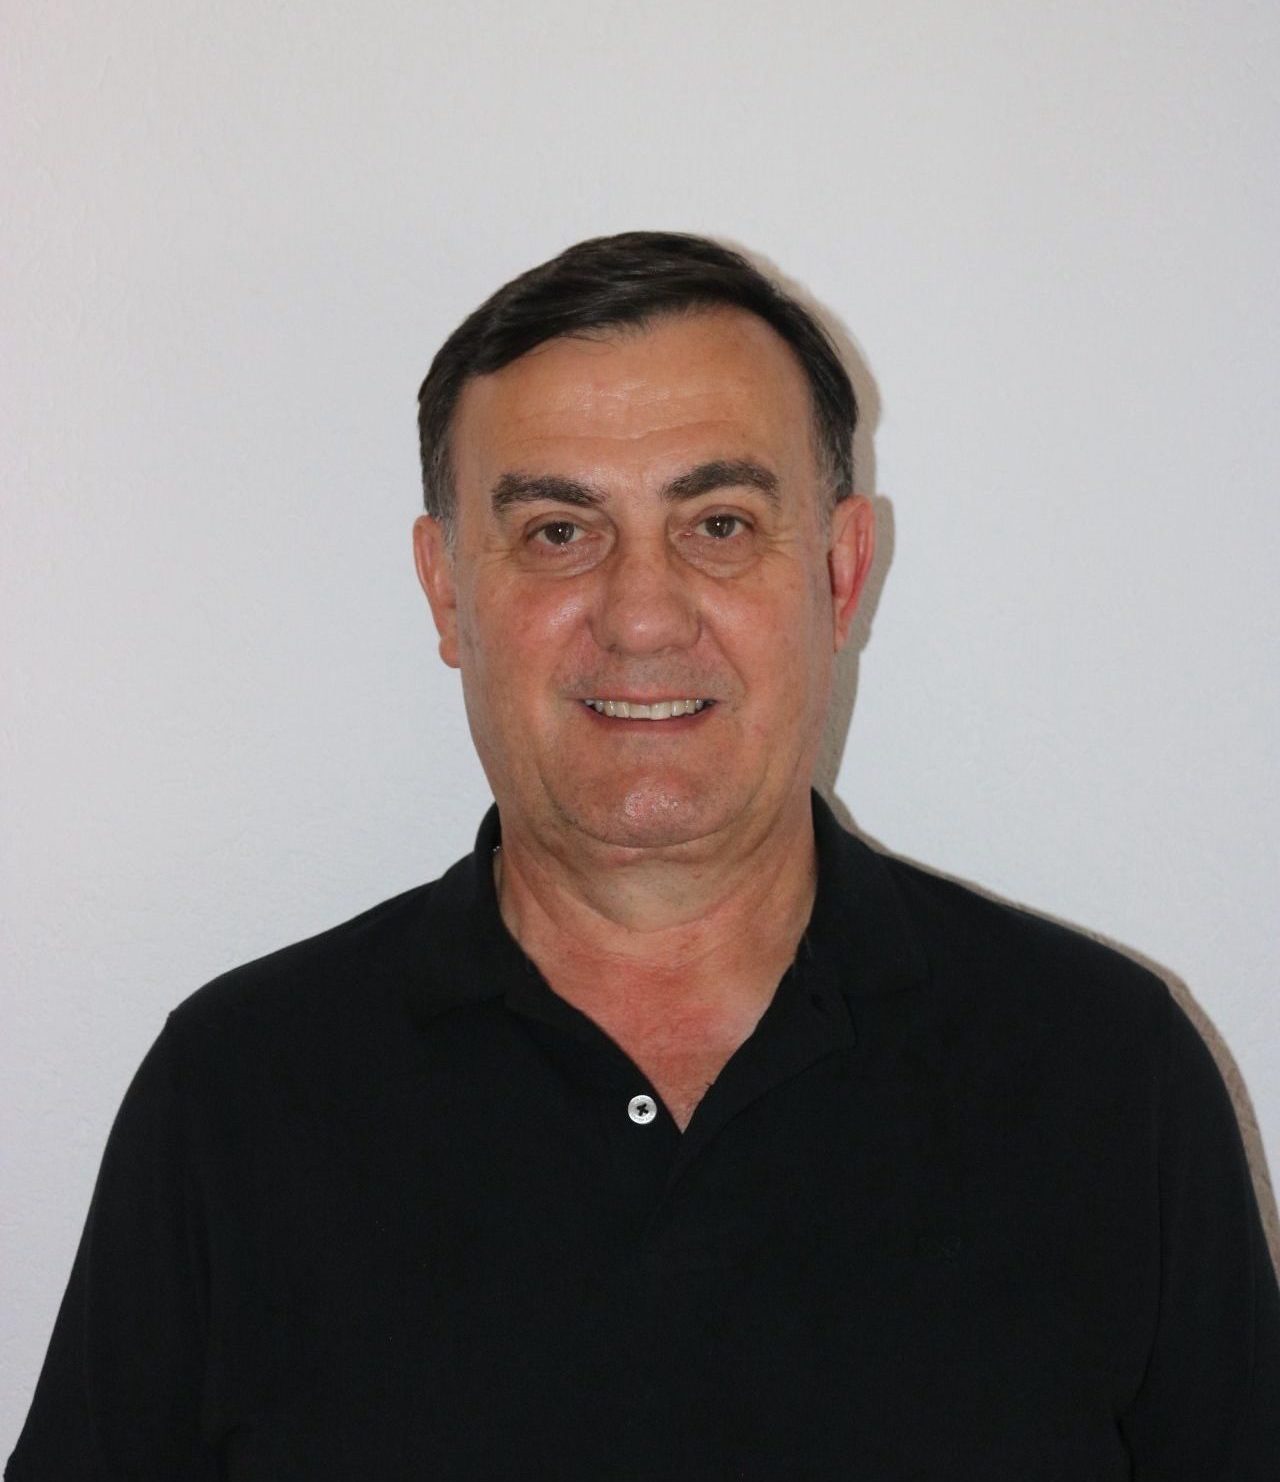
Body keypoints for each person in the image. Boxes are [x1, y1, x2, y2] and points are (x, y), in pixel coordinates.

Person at [8, 232, 1279, 1480]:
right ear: (447, 592)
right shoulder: (237, 1097)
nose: (642, 617)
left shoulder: (1106, 1072)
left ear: (839, 575)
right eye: (558, 532)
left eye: (718, 524)